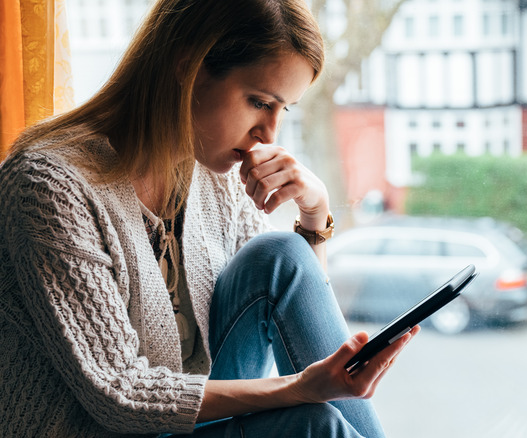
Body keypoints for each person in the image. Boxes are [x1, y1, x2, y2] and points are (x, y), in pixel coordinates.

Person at [0, 0, 420, 436]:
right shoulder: (47, 183)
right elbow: (119, 395)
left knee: (280, 254)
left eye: (283, 109)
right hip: (104, 428)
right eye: (259, 101)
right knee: (312, 422)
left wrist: (315, 217)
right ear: (189, 66)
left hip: (185, 425)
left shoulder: (211, 176)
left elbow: (292, 318)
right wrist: (298, 388)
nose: (269, 134)